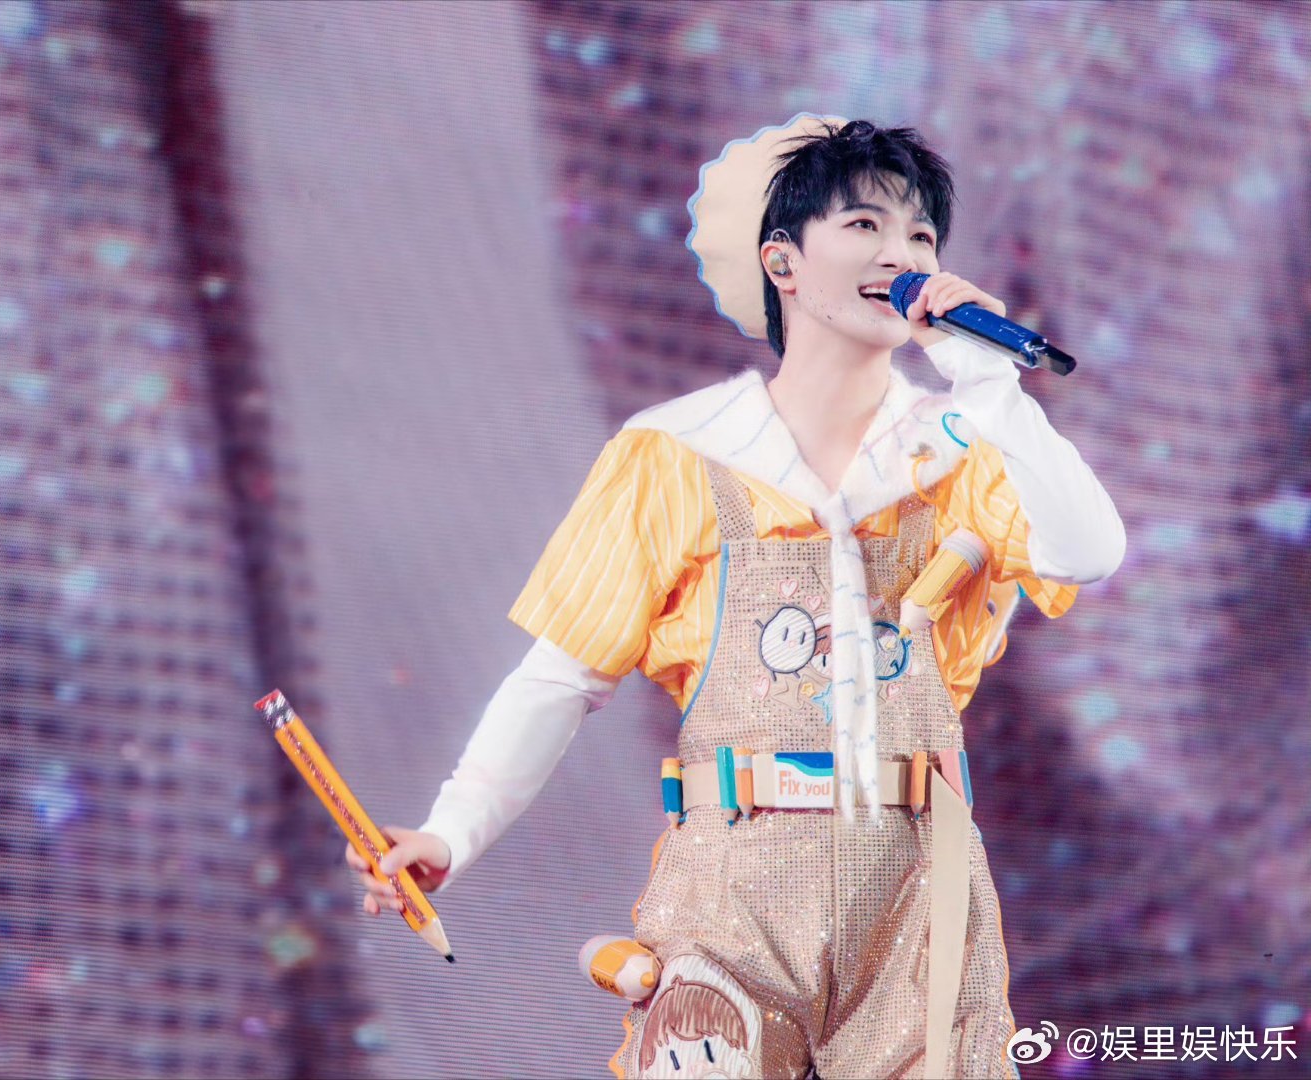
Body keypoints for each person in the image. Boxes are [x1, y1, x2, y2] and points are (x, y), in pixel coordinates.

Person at [345, 115, 1125, 1078]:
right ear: (781, 261)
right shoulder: (681, 451)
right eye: (866, 226)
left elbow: (1089, 551)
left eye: (922, 236)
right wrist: (450, 832)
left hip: (925, 882)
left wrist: (992, 385)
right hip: (736, 882)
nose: (903, 255)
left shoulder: (962, 448)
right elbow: (562, 676)